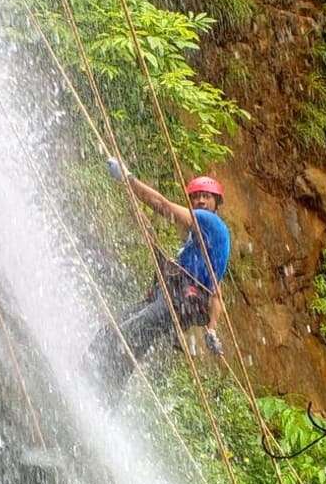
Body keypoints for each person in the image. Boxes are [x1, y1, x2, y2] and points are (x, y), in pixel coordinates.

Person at [85, 156, 232, 401]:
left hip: (181, 301)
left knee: (132, 330)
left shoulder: (210, 223)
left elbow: (162, 205)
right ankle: (106, 394)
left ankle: (93, 373)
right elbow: (217, 293)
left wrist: (128, 179)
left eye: (206, 197)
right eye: (196, 197)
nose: (200, 201)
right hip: (175, 300)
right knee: (127, 332)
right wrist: (212, 330)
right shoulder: (200, 243)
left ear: (216, 203)